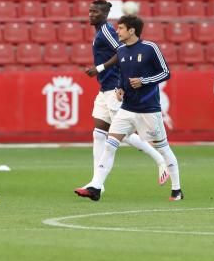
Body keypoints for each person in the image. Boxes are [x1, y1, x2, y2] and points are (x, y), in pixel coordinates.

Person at [75, 15, 182, 202]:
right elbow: (122, 75)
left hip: (149, 109)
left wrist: (144, 81)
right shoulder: (122, 51)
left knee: (163, 148)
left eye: (121, 28)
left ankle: (176, 190)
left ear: (132, 30)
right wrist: (119, 88)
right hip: (126, 109)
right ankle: (96, 187)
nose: (117, 31)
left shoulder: (150, 48)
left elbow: (166, 73)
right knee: (109, 144)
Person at [83, 0, 167, 186]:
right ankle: (96, 182)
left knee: (124, 135)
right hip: (104, 88)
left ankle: (160, 160)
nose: (91, 14)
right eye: (90, 11)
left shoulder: (106, 31)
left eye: (95, 12)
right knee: (98, 133)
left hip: (113, 87)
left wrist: (100, 68)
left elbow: (121, 50)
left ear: (104, 15)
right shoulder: (100, 31)